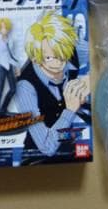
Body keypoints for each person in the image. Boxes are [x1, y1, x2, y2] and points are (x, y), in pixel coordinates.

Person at [14, 11, 90, 163]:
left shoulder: (70, 56)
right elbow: (47, 147)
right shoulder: (25, 87)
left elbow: (92, 52)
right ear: (35, 58)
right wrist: (70, 110)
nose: (58, 63)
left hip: (71, 152)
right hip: (38, 160)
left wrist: (89, 79)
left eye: (61, 55)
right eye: (49, 57)